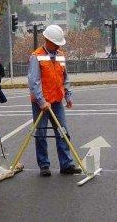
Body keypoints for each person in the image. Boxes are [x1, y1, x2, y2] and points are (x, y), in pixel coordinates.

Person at [27, 24, 82, 177]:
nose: (58, 45)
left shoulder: (60, 55)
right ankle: (44, 165)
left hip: (57, 101)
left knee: (63, 132)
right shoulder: (36, 56)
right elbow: (34, 81)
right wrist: (41, 101)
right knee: (41, 133)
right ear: (46, 40)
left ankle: (66, 164)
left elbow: (65, 77)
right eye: (55, 42)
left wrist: (68, 95)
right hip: (41, 104)